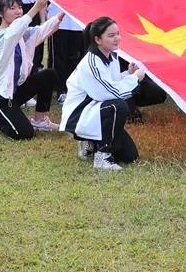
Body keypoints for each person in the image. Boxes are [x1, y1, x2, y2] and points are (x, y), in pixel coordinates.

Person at [59, 17, 149, 170]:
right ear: (98, 40)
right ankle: (102, 156)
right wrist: (134, 78)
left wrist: (127, 74)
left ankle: (91, 142)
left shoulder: (111, 56)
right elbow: (109, 93)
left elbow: (111, 82)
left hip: (96, 109)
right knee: (118, 106)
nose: (117, 38)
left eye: (118, 34)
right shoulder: (91, 62)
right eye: (111, 35)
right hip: (79, 115)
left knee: (130, 156)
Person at [0, 0, 62, 139]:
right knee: (24, 133)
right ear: (0, 14)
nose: (18, 11)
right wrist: (36, 8)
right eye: (12, 8)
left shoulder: (22, 35)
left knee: (48, 75)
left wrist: (63, 13)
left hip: (13, 91)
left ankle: (40, 120)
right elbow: (12, 34)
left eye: (20, 8)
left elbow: (42, 30)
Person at [43, 0, 87, 101]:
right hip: (59, 21)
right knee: (59, 56)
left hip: (75, 21)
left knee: (74, 56)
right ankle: (60, 89)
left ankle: (72, 88)